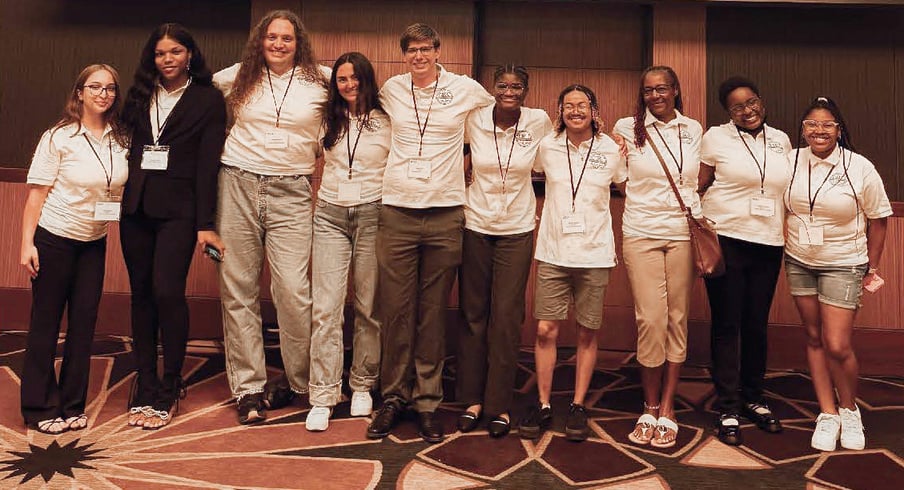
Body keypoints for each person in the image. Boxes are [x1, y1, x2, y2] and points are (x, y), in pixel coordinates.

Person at [366, 23, 494, 444]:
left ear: (439, 50)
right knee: (396, 309)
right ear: (403, 55)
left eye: (426, 48)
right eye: (412, 50)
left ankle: (427, 402)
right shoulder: (391, 90)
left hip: (444, 215)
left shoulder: (466, 88)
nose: (419, 56)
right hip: (398, 210)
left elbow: (500, 120)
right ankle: (393, 397)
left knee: (433, 312)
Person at [213, 9, 330, 425]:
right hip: (238, 184)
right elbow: (197, 97)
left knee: (294, 293)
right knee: (238, 289)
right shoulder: (235, 77)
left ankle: (300, 381)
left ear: (299, 43)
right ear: (260, 41)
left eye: (287, 39)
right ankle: (248, 388)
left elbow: (359, 103)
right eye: (271, 37)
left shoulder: (323, 80)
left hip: (292, 191)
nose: (278, 45)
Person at [120, 23, 227, 430]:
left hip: (180, 212)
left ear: (190, 55)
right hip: (136, 209)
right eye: (161, 53)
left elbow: (207, 166)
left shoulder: (207, 100)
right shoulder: (138, 95)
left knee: (167, 292)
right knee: (141, 294)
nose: (167, 59)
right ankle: (145, 380)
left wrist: (206, 223)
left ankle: (170, 381)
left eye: (176, 52)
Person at [19, 64, 129, 434]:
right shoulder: (58, 137)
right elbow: (36, 195)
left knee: (83, 325)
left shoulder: (120, 137)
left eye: (110, 88)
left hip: (94, 243)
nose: (103, 94)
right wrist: (26, 244)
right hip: (54, 239)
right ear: (79, 92)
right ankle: (38, 406)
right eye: (95, 87)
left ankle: (71, 404)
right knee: (45, 325)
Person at [518, 84, 625, 442]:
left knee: (587, 330)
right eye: (568, 106)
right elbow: (527, 169)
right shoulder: (546, 146)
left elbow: (624, 183)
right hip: (553, 252)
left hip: (595, 254)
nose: (575, 111)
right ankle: (545, 403)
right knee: (546, 330)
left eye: (582, 105)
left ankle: (578, 404)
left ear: (594, 109)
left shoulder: (611, 149)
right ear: (559, 111)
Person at [783, 96, 890, 452]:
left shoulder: (859, 167)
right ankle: (826, 413)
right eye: (812, 124)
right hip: (799, 260)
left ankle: (849, 409)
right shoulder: (791, 160)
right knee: (813, 338)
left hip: (845, 261)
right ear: (802, 130)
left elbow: (879, 219)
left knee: (838, 344)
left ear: (839, 130)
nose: (819, 130)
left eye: (827, 124)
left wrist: (871, 265)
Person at [456, 65, 552, 438]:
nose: (509, 91)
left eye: (517, 86)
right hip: (475, 224)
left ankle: (498, 404)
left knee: (507, 317)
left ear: (526, 90)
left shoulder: (538, 121)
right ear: (492, 89)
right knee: (473, 313)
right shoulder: (475, 120)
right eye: (502, 85)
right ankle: (471, 400)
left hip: (516, 228)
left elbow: (558, 150)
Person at [697, 77, 791, 446]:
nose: (747, 110)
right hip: (727, 238)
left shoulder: (781, 139)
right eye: (738, 107)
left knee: (757, 322)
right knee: (727, 323)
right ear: (727, 112)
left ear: (761, 101)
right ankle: (728, 405)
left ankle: (754, 397)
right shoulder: (715, 138)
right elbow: (701, 183)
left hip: (768, 241)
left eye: (752, 102)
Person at [612, 66, 703, 449]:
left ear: (676, 91)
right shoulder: (626, 128)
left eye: (662, 89)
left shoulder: (693, 129)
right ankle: (648, 404)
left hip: (683, 233)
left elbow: (698, 177)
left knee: (677, 318)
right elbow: (618, 177)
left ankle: (668, 406)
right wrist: (645, 199)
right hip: (641, 232)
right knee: (650, 318)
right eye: (648, 90)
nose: (655, 96)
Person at [306, 52, 390, 432]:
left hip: (373, 213)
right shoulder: (326, 118)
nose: (349, 84)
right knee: (326, 307)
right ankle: (323, 393)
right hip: (330, 215)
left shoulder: (387, 120)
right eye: (342, 79)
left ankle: (362, 385)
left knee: (369, 306)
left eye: (356, 78)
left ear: (367, 80)